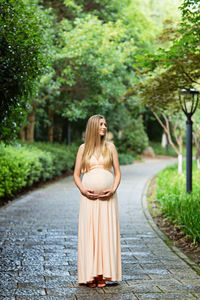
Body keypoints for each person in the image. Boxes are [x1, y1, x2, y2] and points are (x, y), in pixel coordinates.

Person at [73, 114, 122, 288]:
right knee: (90, 234)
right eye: (101, 124)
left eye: (105, 124)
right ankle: (90, 275)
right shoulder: (83, 148)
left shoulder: (110, 147)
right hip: (89, 199)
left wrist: (113, 189)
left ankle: (103, 274)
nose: (104, 127)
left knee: (105, 233)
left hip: (108, 199)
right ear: (94, 126)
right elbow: (76, 175)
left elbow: (117, 173)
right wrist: (83, 190)